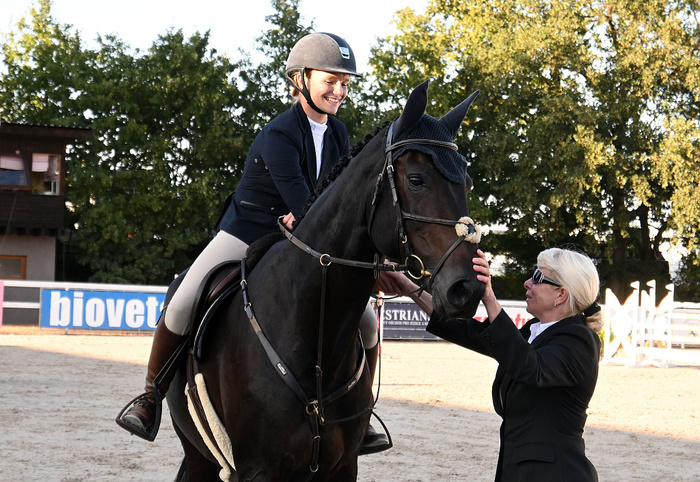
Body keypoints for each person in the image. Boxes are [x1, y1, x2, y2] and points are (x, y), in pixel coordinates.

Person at [117, 32, 390, 454]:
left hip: (304, 236)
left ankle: (361, 411)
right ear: (300, 79)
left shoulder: (338, 133)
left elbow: (333, 202)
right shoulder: (279, 133)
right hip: (248, 229)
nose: (339, 91)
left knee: (367, 321)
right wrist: (306, 220)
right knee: (184, 300)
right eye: (330, 81)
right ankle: (150, 396)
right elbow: (305, 201)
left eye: (344, 83)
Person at [377, 247, 602, 481]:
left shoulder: (579, 339)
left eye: (537, 278)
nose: (527, 283)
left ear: (561, 295)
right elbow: (468, 331)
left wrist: (490, 298)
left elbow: (530, 368)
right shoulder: (533, 332)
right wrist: (408, 287)